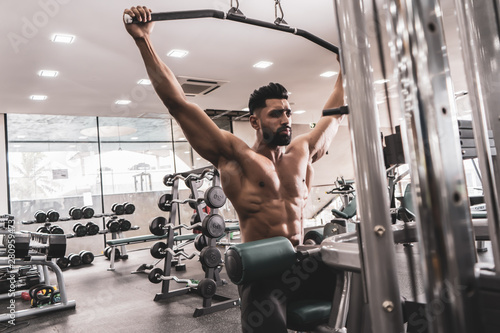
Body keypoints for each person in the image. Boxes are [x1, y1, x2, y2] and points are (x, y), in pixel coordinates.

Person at [123, 6, 345, 332]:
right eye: (275, 114)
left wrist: (346, 70)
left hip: (303, 261)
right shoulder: (234, 157)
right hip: (263, 269)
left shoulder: (303, 151)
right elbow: (179, 104)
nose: (285, 119)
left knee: (339, 316)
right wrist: (145, 42)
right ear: (255, 121)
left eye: (287, 112)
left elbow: (335, 113)